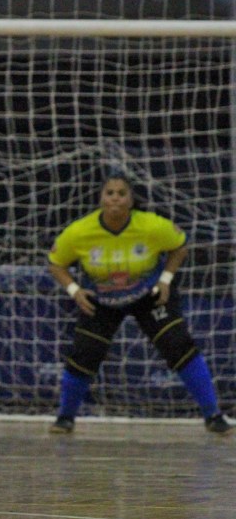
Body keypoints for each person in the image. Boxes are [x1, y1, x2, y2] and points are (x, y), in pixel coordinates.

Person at [47, 174, 231, 435]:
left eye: (122, 193)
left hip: (149, 295)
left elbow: (179, 247)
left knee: (179, 345)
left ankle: (213, 416)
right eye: (109, 192)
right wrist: (74, 290)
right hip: (102, 300)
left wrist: (166, 279)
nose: (115, 198)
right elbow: (55, 263)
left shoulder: (152, 226)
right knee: (84, 355)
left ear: (131, 200)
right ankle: (65, 418)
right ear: (101, 198)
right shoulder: (79, 232)